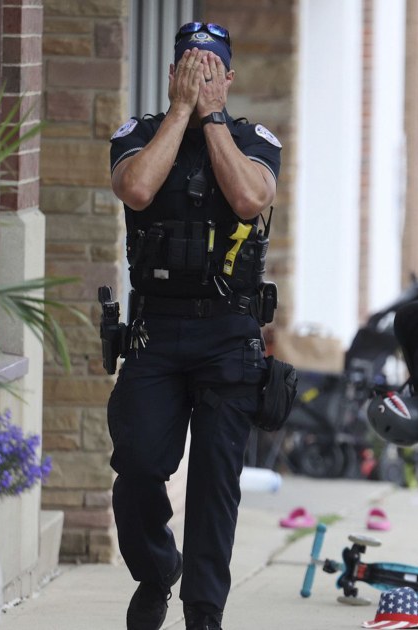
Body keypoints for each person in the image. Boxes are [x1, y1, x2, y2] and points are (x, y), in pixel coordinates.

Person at [106, 22, 281, 630]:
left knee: (214, 485)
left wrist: (209, 120)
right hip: (158, 331)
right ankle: (156, 573)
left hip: (228, 335)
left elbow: (248, 200)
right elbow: (137, 188)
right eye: (190, 65)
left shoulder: (253, 140)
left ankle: (204, 613)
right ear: (174, 72)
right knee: (137, 467)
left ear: (229, 77)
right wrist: (182, 112)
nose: (201, 74)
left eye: (212, 67)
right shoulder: (139, 134)